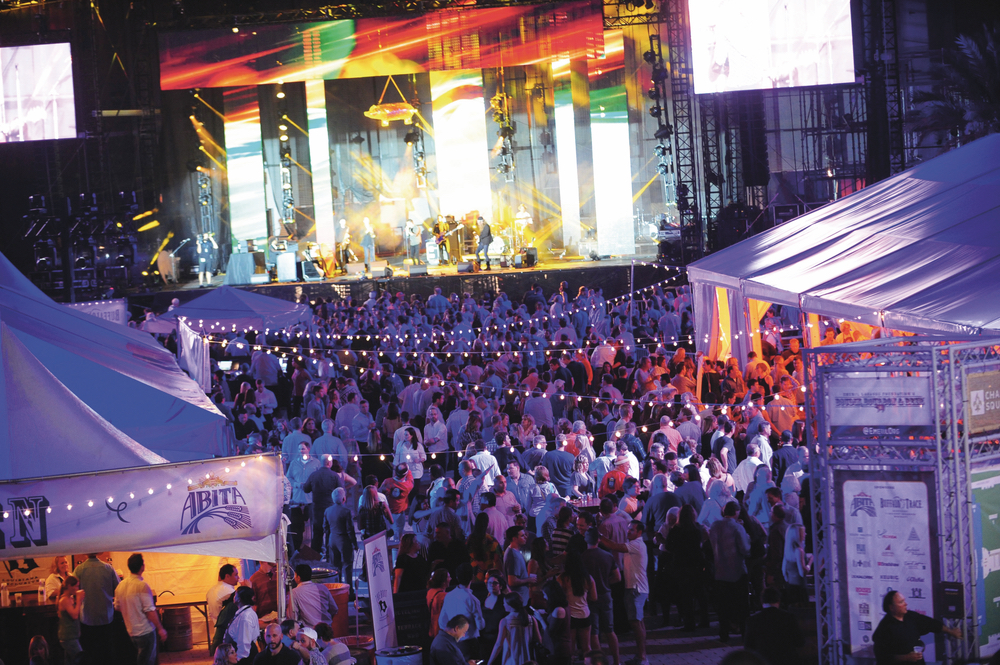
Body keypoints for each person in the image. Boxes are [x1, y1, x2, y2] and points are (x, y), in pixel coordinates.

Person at [600, 520, 650, 665]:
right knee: (638, 622)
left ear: (639, 532)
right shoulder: (637, 544)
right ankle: (642, 656)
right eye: (628, 529)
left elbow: (614, 546)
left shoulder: (636, 544)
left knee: (635, 623)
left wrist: (599, 536)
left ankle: (641, 657)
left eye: (632, 530)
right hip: (638, 588)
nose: (628, 532)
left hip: (635, 589)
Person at [873, 590, 961, 665]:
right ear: (891, 607)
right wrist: (906, 657)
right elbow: (882, 657)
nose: (905, 604)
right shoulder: (884, 628)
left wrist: (950, 631)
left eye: (904, 601)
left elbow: (930, 623)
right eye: (901, 602)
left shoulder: (910, 616)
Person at [114, 554, 168, 665]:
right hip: (145, 631)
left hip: (131, 631)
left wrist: (131, 611)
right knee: (148, 661)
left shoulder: (121, 586)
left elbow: (117, 607)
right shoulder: (142, 586)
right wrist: (160, 628)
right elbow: (150, 611)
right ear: (142, 567)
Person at [708, 501, 751, 643]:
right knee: (742, 605)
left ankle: (724, 633)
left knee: (723, 606)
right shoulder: (737, 527)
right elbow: (745, 549)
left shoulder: (714, 526)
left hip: (720, 571)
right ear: (737, 512)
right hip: (737, 572)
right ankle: (744, 633)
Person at [73, 553, 119, 665]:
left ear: (86, 553)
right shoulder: (108, 568)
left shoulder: (79, 570)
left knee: (90, 653)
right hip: (106, 616)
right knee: (107, 652)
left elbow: (72, 591)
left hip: (87, 617)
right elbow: (118, 589)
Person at [743, 586, 804, 665]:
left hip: (763, 661)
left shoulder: (752, 620)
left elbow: (748, 647)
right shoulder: (789, 617)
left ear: (762, 602)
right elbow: (800, 642)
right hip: (787, 660)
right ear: (778, 601)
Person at [438, 564, 486, 660]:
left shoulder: (448, 596)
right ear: (472, 577)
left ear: (456, 577)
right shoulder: (472, 599)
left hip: (453, 643)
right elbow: (480, 625)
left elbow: (442, 623)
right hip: (469, 644)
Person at [486, 593, 542, 665]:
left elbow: (498, 645)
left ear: (511, 605)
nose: (503, 605)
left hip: (512, 659)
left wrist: (489, 662)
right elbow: (539, 640)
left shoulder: (505, 621)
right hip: (528, 660)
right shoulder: (532, 619)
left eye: (504, 603)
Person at [324, 487, 357, 596]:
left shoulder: (327, 511)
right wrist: (355, 543)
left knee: (335, 566)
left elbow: (326, 529)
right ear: (344, 498)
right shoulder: (346, 511)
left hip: (332, 539)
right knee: (347, 566)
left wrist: (326, 544)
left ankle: (337, 590)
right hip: (344, 540)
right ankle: (349, 591)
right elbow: (350, 529)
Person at [224, 587, 259, 665]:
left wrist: (239, 660)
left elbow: (244, 642)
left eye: (235, 594)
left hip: (244, 659)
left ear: (239, 599)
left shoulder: (245, 617)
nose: (233, 596)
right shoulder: (243, 613)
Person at [57, 576, 84, 665]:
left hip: (71, 636)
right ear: (69, 586)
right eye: (76, 586)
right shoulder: (65, 599)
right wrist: (79, 600)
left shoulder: (70, 598)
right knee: (80, 659)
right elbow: (75, 615)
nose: (77, 589)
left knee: (69, 662)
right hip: (68, 637)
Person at [207, 564, 239, 630]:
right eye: (236, 575)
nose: (238, 578)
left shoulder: (210, 590)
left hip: (217, 627)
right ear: (227, 576)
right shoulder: (229, 592)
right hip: (229, 629)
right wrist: (247, 588)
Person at [427, 568, 451, 638]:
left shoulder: (430, 592)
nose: (451, 579)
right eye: (449, 577)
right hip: (443, 630)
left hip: (433, 629)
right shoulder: (444, 596)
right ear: (444, 582)